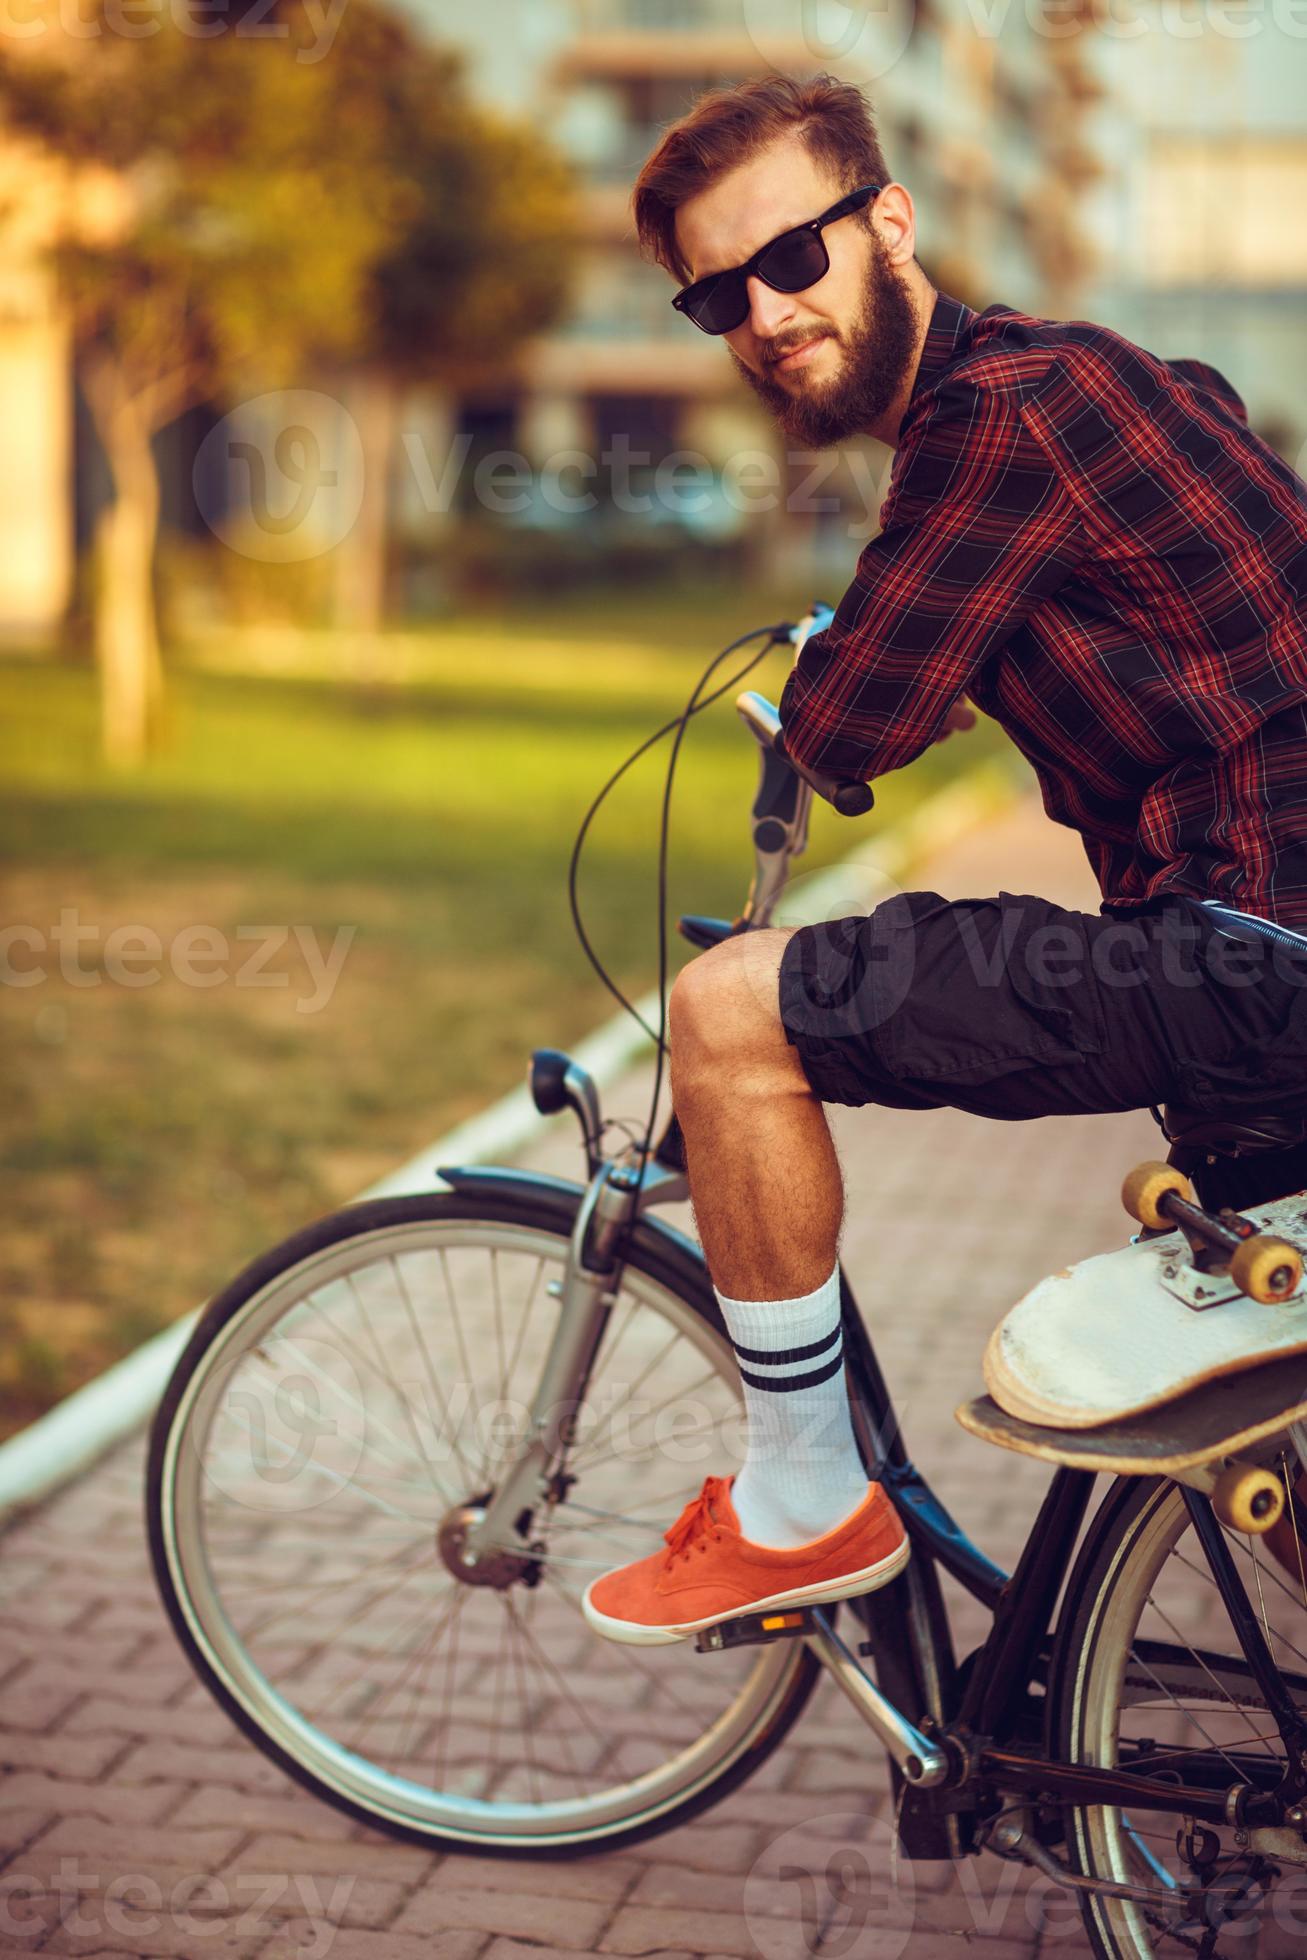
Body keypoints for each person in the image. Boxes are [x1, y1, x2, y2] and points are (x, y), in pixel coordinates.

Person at [580, 72, 1307, 1647]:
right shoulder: (1099, 380)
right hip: (1263, 974)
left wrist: (837, 669)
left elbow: (851, 726)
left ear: (889, 220)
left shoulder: (999, 414)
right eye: (716, 294)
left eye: (791, 260)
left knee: (726, 1009)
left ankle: (797, 1504)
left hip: (1254, 951)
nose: (763, 318)